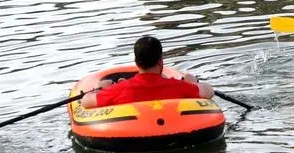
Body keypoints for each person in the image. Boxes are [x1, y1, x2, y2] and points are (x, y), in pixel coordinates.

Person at [81, 35, 214, 108]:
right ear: (160, 61)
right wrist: (192, 82)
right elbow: (209, 91)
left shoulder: (120, 90)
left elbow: (86, 102)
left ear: (136, 62)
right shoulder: (178, 86)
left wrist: (99, 89)